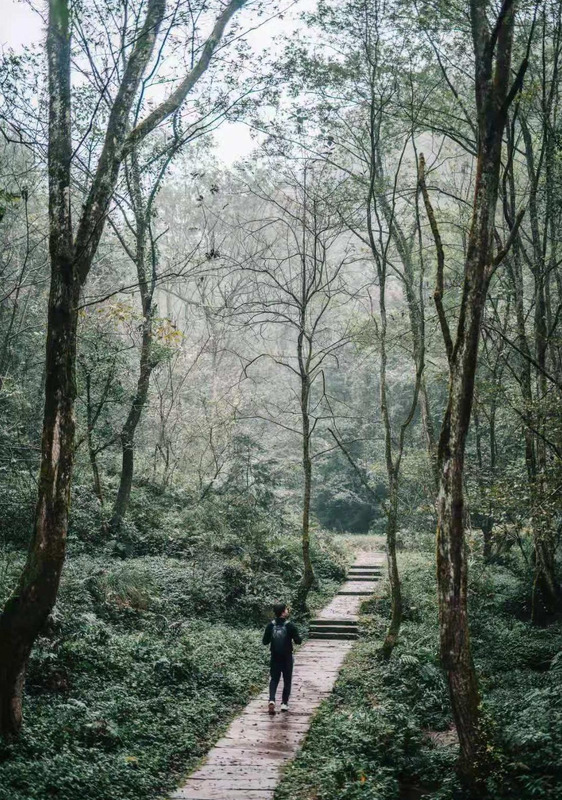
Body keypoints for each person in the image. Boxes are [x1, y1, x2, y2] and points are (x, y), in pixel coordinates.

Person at [262, 602, 302, 715]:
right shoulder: (290, 625)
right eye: (286, 609)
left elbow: (265, 642)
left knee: (274, 679)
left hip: (275, 657)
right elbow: (298, 641)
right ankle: (284, 703)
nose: (287, 611)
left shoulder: (270, 625)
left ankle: (271, 700)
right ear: (283, 612)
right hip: (287, 657)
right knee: (287, 680)